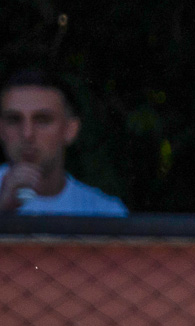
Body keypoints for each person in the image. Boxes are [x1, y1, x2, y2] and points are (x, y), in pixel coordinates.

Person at [0, 69, 128, 216]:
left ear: (70, 129)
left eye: (42, 120)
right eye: (14, 120)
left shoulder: (104, 213)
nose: (27, 134)